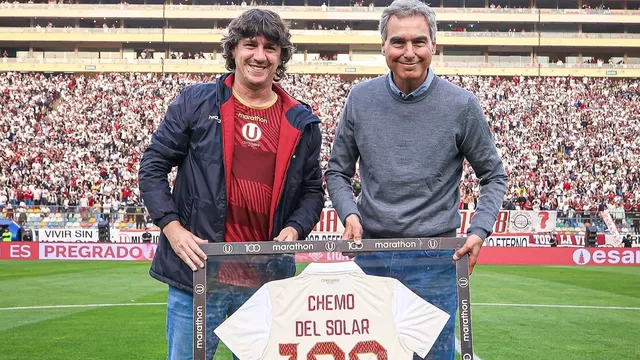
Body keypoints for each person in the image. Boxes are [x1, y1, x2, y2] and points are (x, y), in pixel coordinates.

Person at [324, 0, 508, 359]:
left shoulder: (461, 105)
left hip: (435, 258)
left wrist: (479, 230)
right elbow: (337, 171)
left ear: (433, 46)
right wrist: (350, 215)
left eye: (418, 42)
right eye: (398, 42)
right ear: (384, 46)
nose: (409, 52)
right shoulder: (360, 98)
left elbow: (494, 175)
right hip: (371, 254)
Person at [138, 8, 325, 360]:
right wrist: (173, 229)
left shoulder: (301, 120)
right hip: (198, 274)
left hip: (266, 280)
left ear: (281, 56)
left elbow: (313, 191)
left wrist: (296, 228)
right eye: (250, 44)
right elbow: (152, 166)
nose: (259, 55)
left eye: (270, 47)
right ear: (234, 50)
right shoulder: (197, 101)